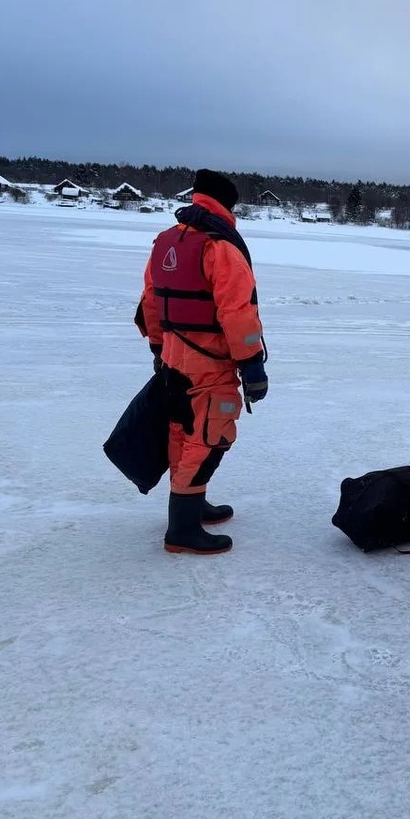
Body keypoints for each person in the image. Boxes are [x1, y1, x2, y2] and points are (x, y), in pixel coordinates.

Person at [135, 169, 268, 555]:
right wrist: (252, 364)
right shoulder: (219, 245)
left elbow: (150, 299)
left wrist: (159, 347)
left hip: (175, 357)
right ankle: (182, 529)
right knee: (210, 435)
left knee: (183, 430)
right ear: (227, 204)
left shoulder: (165, 241)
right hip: (209, 361)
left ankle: (191, 505)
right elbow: (237, 312)